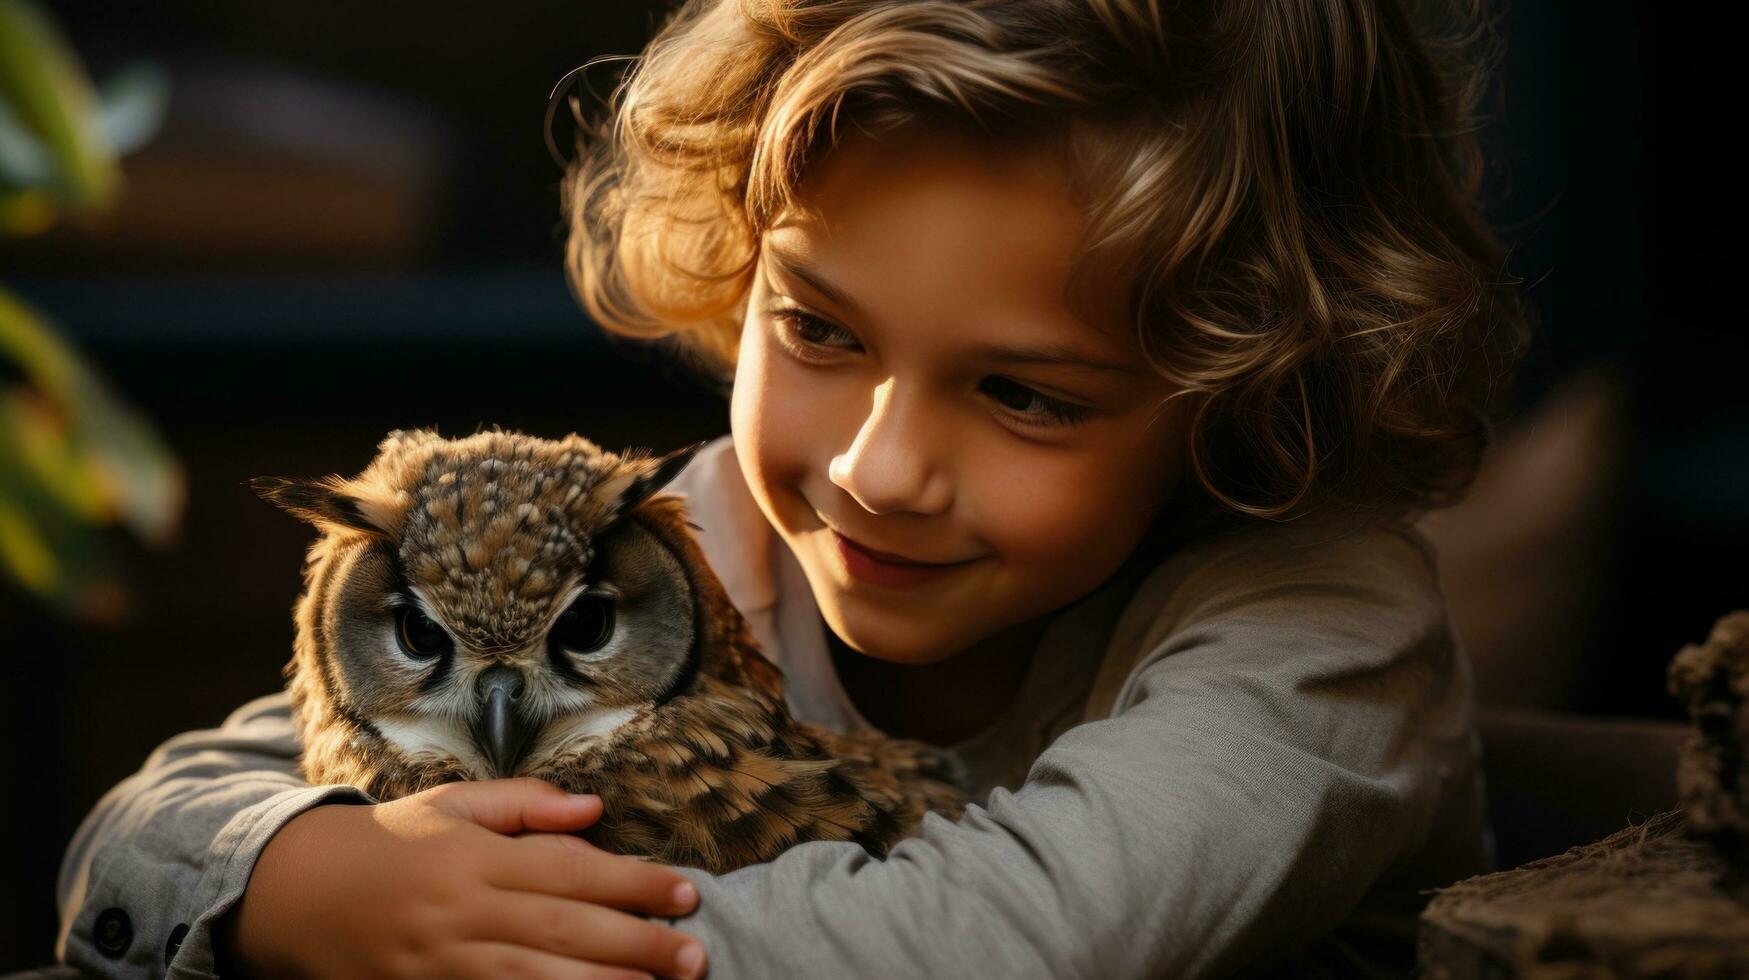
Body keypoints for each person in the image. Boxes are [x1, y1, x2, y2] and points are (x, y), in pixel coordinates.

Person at [55, 0, 1531, 976]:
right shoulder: (692, 543)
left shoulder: (1324, 624)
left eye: (1025, 395)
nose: (876, 471)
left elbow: (1008, 945)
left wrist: (497, 946)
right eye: (818, 331)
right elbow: (150, 824)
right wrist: (298, 877)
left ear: (1248, 393)